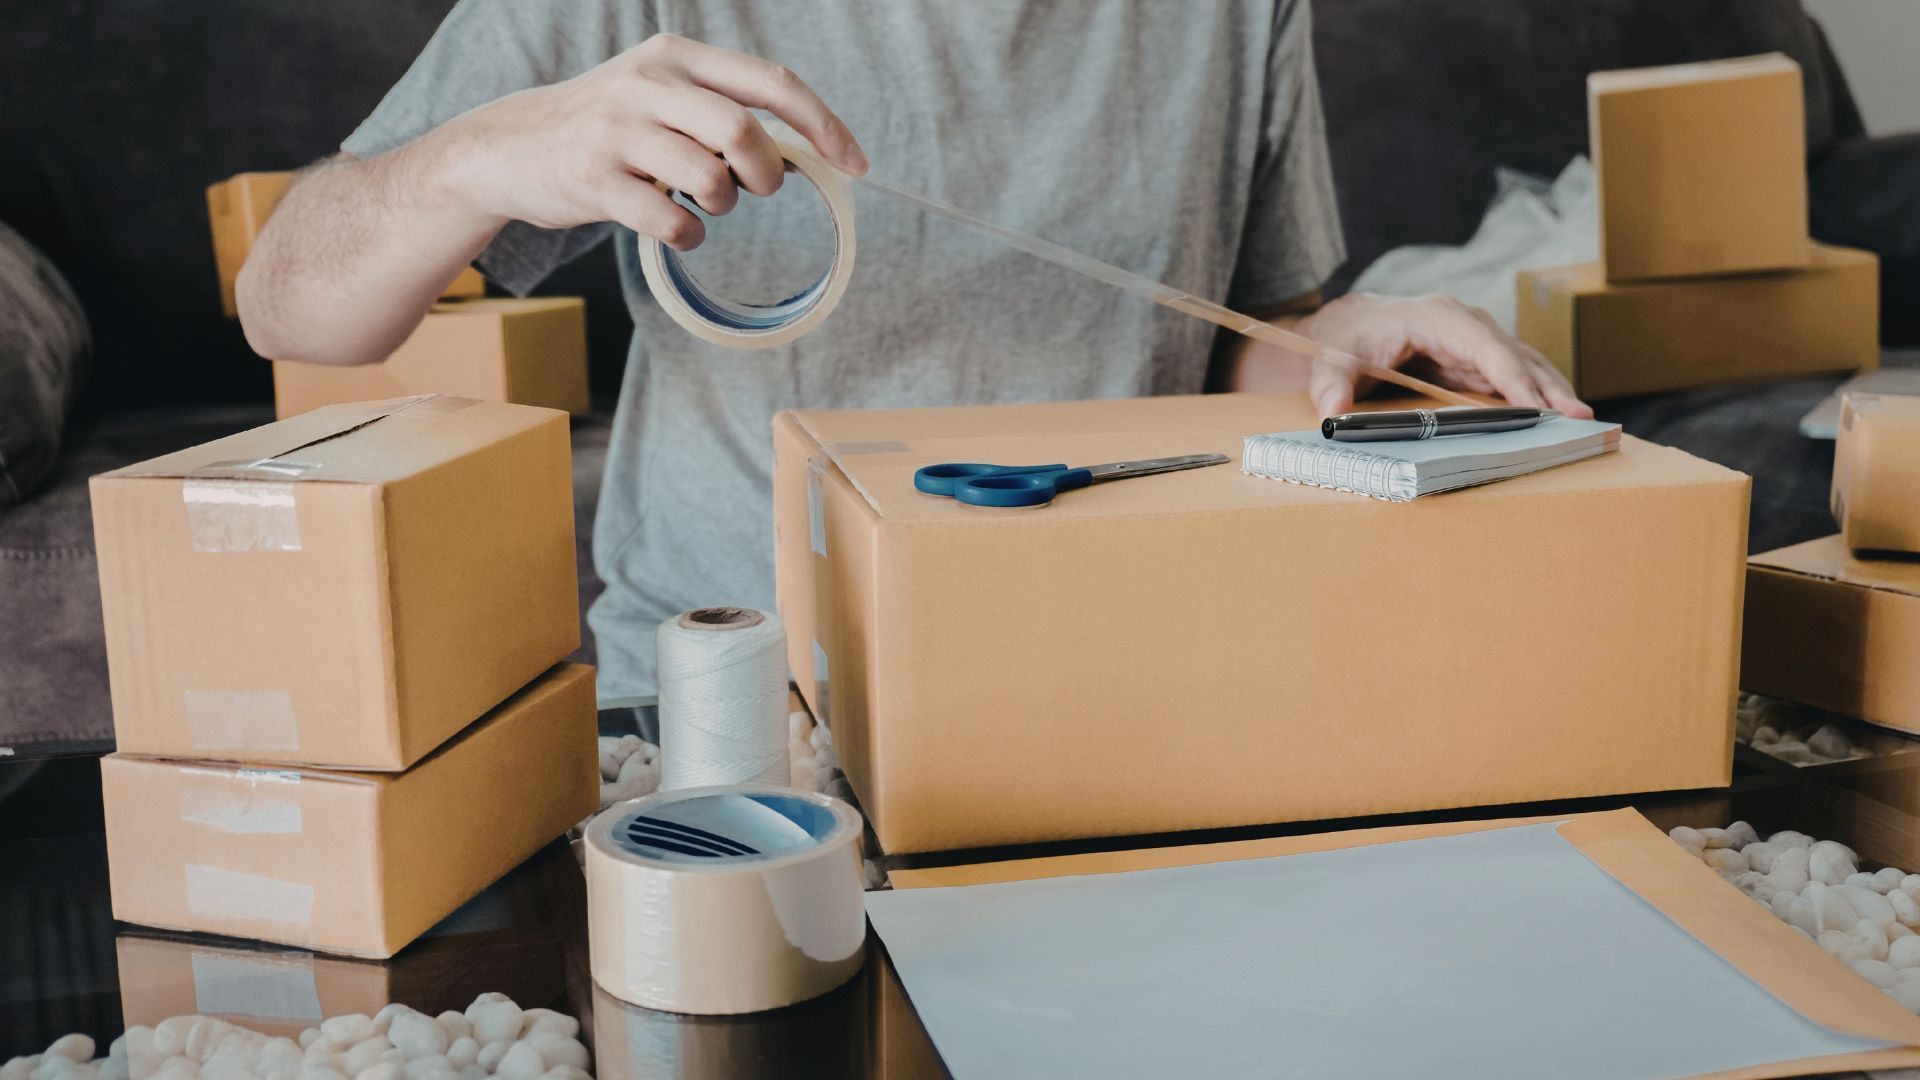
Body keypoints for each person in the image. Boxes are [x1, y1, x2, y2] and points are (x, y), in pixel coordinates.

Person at [236, 0, 1591, 698]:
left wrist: (1346, 346)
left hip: (1111, 668)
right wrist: (477, 159)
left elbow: (1231, 347)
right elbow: (290, 306)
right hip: (732, 699)